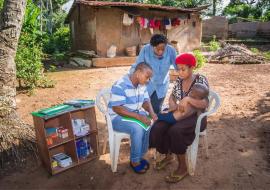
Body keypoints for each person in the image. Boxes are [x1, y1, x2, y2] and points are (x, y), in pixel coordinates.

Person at [149, 53, 209, 183]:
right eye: (178, 69)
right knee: (158, 127)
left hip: (196, 116)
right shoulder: (179, 81)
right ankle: (168, 155)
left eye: (183, 69)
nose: (180, 72)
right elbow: (172, 96)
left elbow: (205, 103)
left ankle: (183, 167)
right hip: (178, 113)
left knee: (175, 131)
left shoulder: (200, 80)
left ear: (192, 67)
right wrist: (172, 103)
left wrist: (188, 99)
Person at [108, 62, 158, 174]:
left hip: (133, 114)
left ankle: (140, 155)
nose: (148, 80)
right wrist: (139, 117)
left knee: (149, 122)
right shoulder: (120, 85)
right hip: (118, 117)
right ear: (138, 72)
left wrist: (152, 113)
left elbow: (146, 101)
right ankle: (134, 161)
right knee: (137, 128)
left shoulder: (142, 85)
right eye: (147, 77)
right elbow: (117, 109)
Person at [130, 34, 177, 114]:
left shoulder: (171, 50)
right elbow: (137, 65)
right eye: (157, 49)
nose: (160, 52)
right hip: (147, 85)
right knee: (144, 107)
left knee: (156, 108)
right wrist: (131, 77)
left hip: (162, 86)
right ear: (152, 46)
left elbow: (178, 66)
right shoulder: (145, 50)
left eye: (163, 49)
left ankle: (154, 125)